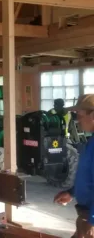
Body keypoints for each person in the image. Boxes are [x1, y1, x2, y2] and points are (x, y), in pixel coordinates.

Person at [53, 94, 94, 238]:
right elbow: (87, 176)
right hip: (85, 215)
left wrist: (92, 221)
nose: (77, 121)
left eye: (79, 115)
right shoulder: (91, 142)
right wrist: (72, 192)